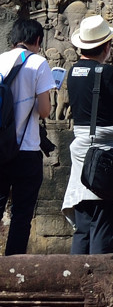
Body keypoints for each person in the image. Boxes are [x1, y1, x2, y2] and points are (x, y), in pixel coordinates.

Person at [62, 15, 113, 254]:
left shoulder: (73, 71)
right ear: (108, 46)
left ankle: (76, 277)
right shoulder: (106, 73)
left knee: (84, 223)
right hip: (107, 154)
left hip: (81, 150)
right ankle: (101, 283)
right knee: (105, 221)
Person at [0, 19, 55, 255]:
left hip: (1, 148)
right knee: (21, 214)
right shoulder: (38, 63)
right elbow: (44, 110)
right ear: (38, 40)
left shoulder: (0, 60)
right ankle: (13, 266)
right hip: (26, 149)